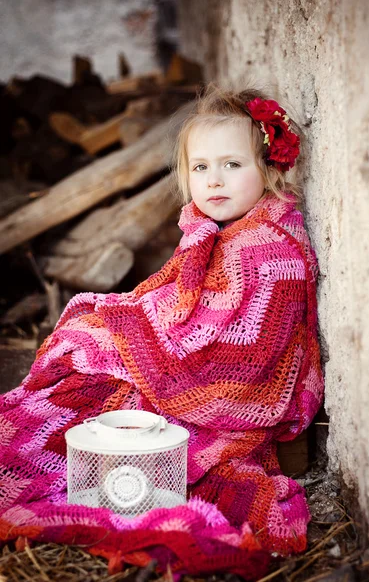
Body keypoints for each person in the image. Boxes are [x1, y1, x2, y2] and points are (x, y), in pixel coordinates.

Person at [0, 83, 325, 575]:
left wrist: (141, 341)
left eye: (232, 165)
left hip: (217, 390)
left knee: (100, 372)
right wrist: (129, 322)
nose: (214, 180)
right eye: (201, 167)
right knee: (84, 335)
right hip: (179, 357)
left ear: (269, 167)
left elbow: (239, 351)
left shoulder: (270, 248)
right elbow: (179, 300)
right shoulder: (217, 227)